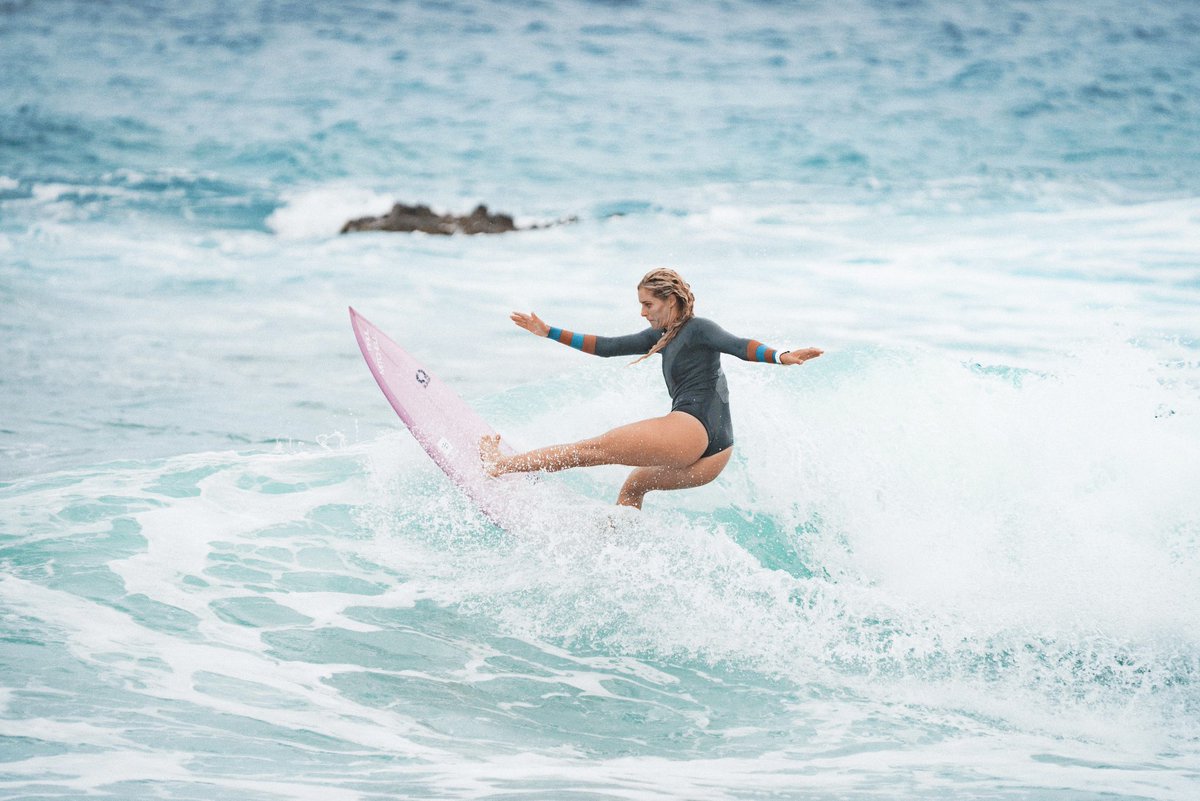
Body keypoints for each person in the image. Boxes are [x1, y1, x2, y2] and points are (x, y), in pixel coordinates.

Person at [480, 268, 822, 508]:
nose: (643, 312)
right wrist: (549, 331)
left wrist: (780, 356)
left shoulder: (698, 328)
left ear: (671, 299)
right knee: (634, 486)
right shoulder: (662, 336)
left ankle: (500, 466)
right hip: (716, 454)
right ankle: (620, 543)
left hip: (693, 431)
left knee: (591, 450)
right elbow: (606, 346)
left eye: (648, 304)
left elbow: (739, 345)